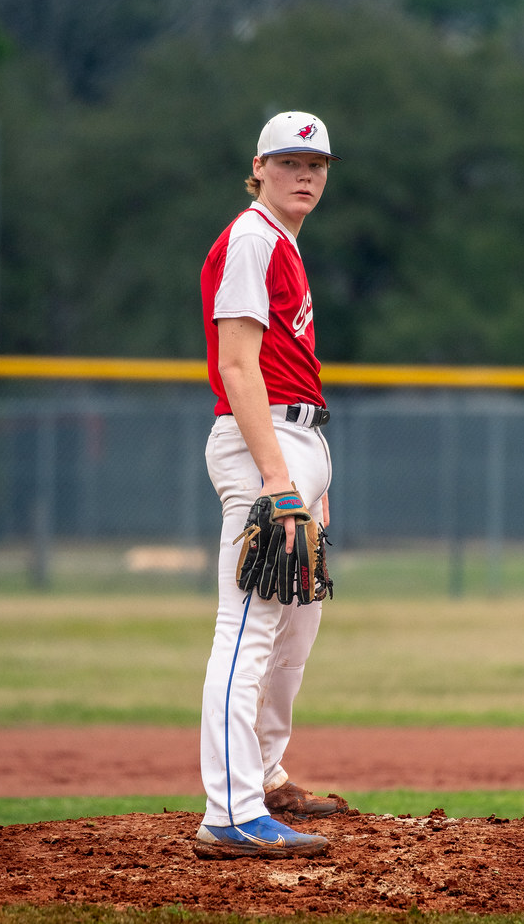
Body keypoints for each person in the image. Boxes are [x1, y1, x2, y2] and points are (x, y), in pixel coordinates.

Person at [195, 111, 347, 860]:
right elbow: (236, 363)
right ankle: (229, 810)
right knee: (250, 625)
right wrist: (279, 479)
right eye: (289, 161)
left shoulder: (283, 243)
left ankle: (266, 774)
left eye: (316, 163)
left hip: (297, 441)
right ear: (258, 167)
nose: (305, 174)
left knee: (296, 624)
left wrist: (308, 480)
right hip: (267, 446)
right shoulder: (254, 236)